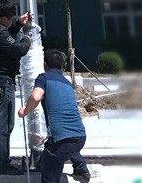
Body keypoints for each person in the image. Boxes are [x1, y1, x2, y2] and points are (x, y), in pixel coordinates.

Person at [17, 48, 90, 183]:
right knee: (68, 145)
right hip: (80, 137)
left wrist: (24, 111)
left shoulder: (43, 77)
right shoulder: (67, 83)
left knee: (50, 164)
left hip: (61, 141)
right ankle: (81, 168)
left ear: (45, 64)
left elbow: (36, 97)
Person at [0, 0, 32, 174]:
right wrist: (27, 39)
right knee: (4, 125)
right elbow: (19, 49)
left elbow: (7, 33)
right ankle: (1, 163)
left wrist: (18, 24)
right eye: (10, 19)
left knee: (2, 123)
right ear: (3, 19)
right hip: (1, 83)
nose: (11, 21)